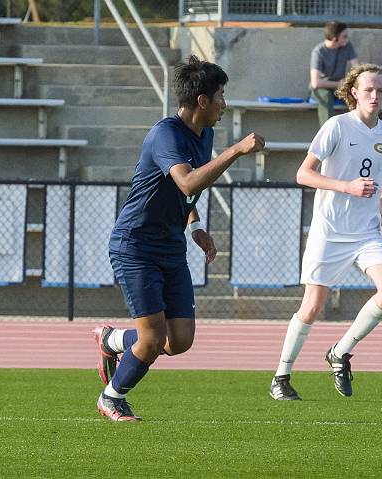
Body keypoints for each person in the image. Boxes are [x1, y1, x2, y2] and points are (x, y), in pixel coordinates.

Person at [93, 55, 265, 422]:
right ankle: (111, 398)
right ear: (202, 100)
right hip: (136, 245)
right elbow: (187, 181)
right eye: (221, 95)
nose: (225, 103)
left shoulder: (206, 134)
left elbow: (180, 192)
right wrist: (236, 151)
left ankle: (111, 340)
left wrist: (195, 226)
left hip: (171, 245)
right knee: (152, 340)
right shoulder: (166, 133)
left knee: (179, 341)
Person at [269, 63, 382, 400]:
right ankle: (281, 377)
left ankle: (340, 353)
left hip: (367, 232)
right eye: (369, 89)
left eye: (381, 90)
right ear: (354, 92)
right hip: (329, 230)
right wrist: (347, 187)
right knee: (313, 306)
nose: (375, 95)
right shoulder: (336, 127)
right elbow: (303, 174)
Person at [309, 21, 359, 125]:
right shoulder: (318, 52)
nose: (347, 39)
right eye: (344, 36)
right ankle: (328, 134)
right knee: (326, 97)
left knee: (356, 96)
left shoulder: (347, 46)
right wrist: (339, 84)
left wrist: (350, 82)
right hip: (322, 87)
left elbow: (356, 68)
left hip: (340, 86)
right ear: (335, 38)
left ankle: (359, 129)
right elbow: (315, 83)